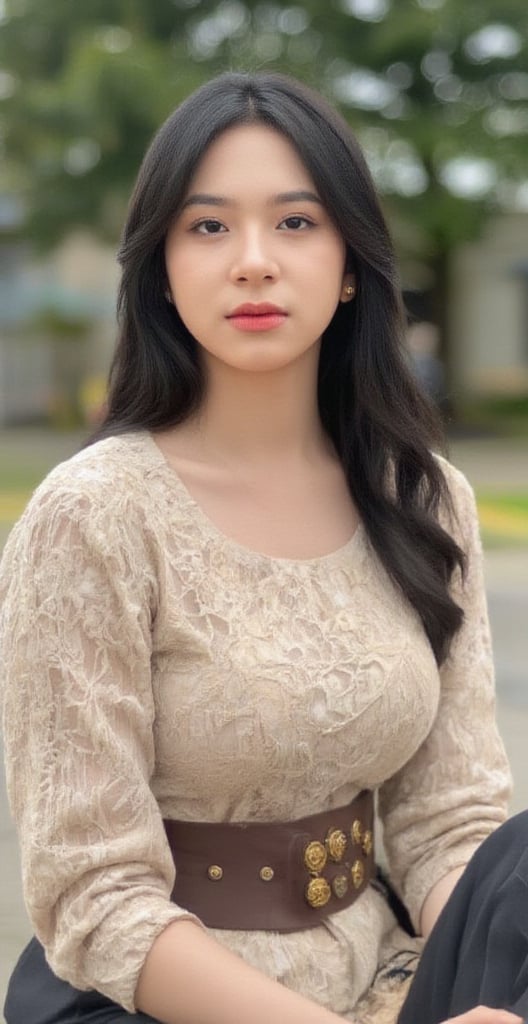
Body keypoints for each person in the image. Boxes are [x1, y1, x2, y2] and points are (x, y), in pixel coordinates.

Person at [0, 71, 525, 1024]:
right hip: (161, 997)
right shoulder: (94, 515)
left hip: (389, 970)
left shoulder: (423, 499)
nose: (253, 261)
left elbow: (450, 823)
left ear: (353, 261)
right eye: (208, 227)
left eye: (295, 223)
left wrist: (484, 988)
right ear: (160, 266)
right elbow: (94, 898)